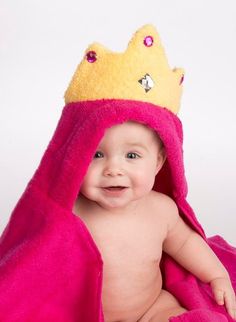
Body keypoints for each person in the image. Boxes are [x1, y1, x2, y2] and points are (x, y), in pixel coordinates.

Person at [73, 120, 236, 322]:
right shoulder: (71, 213)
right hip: (84, 314)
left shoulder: (160, 209)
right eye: (96, 155)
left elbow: (185, 243)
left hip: (151, 309)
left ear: (158, 162)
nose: (113, 169)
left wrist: (216, 275)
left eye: (131, 155)